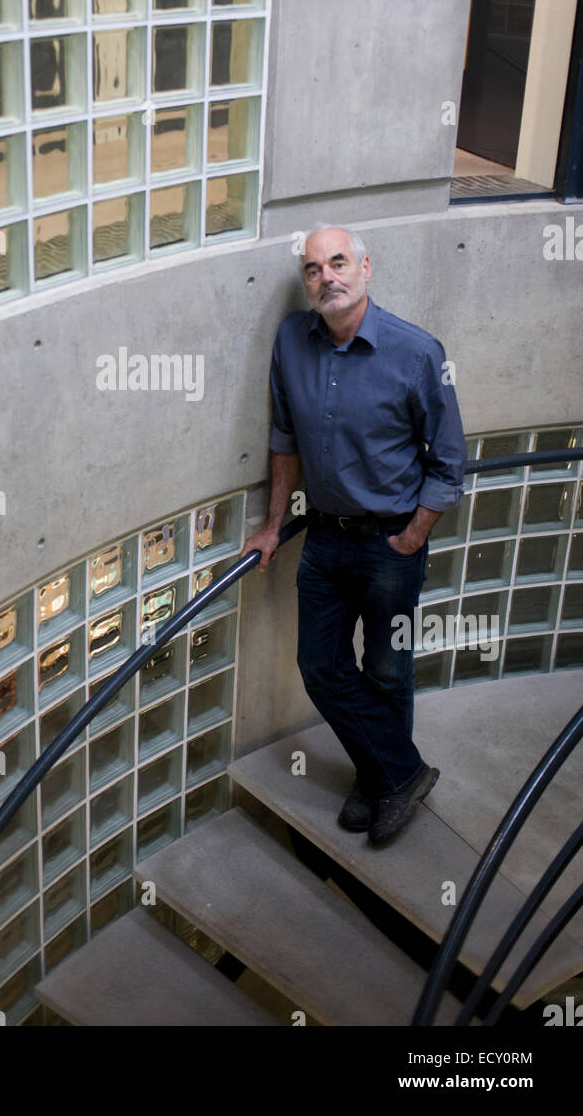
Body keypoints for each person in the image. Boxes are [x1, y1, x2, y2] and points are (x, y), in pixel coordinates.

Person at [240, 224, 466, 845]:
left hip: (392, 545)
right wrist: (272, 524)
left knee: (388, 670)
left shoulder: (418, 352)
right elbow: (284, 440)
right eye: (313, 269)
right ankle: (401, 772)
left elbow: (448, 460)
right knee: (320, 665)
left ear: (366, 268)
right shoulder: (292, 340)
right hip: (325, 541)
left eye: (338, 263)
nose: (326, 277)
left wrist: (416, 534)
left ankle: (380, 781)